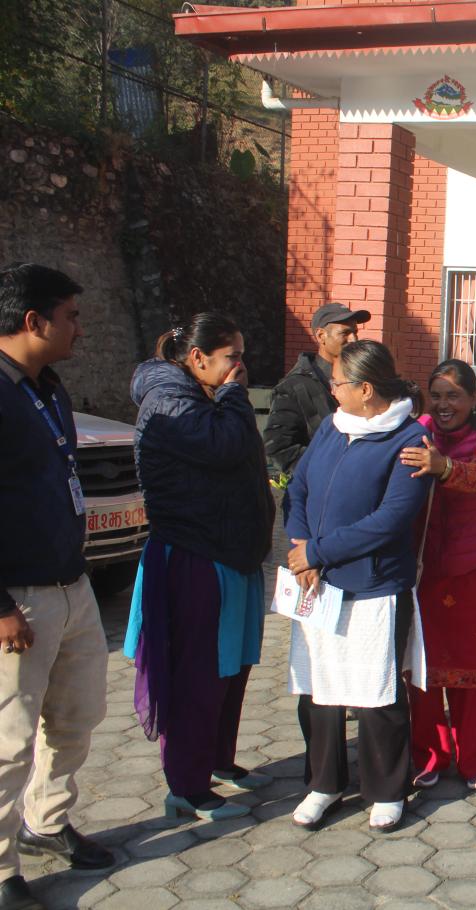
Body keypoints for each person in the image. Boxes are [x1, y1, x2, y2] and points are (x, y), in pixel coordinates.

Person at [125, 313, 276, 823]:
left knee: (231, 667)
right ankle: (187, 786)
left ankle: (216, 759)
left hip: (231, 555)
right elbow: (225, 446)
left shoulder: (202, 395)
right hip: (197, 556)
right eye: (232, 357)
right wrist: (233, 394)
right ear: (197, 357)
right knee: (200, 674)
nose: (240, 367)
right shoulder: (169, 398)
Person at [0, 264, 114, 910]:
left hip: (72, 586)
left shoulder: (46, 387)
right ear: (32, 320)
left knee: (76, 717)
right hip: (19, 600)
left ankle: (46, 821)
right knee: (9, 741)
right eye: (70, 316)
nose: (80, 328)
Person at [284, 340, 432, 833]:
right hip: (318, 583)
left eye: (338, 383)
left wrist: (319, 552)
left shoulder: (408, 438)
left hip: (374, 586)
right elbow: (299, 487)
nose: (332, 390)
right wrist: (301, 545)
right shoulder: (333, 426)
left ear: (366, 389)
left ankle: (388, 790)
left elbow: (390, 519)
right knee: (319, 688)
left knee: (376, 692)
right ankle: (323, 783)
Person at [398, 359, 476, 793]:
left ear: (474, 398)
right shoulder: (420, 430)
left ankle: (474, 760)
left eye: (454, 396)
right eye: (437, 396)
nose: (444, 405)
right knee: (424, 668)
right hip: (425, 568)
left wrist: (443, 467)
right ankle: (428, 755)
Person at [263, 302, 368, 475]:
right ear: (321, 336)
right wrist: (324, 471)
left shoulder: (363, 378)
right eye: (345, 333)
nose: (353, 339)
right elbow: (279, 448)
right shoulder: (294, 387)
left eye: (355, 332)